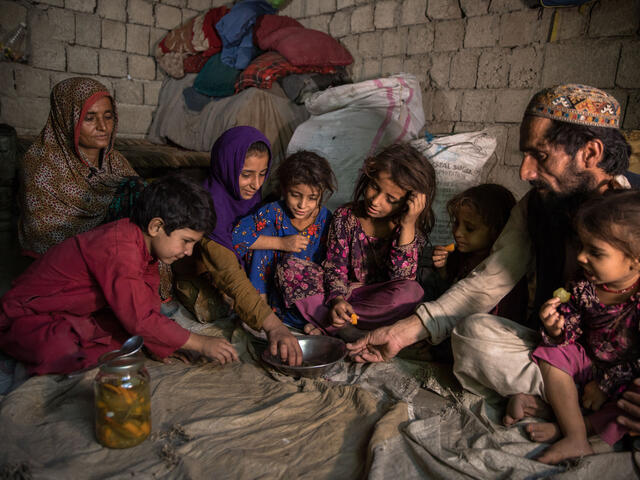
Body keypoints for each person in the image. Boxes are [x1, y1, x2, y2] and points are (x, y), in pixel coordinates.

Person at [347, 84, 640, 402]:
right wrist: (400, 332)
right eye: (526, 155)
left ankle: (593, 401)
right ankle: (581, 404)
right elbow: (490, 280)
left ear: (590, 153)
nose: (525, 171)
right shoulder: (536, 205)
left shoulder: (634, 212)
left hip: (626, 364)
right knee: (471, 335)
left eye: (540, 156)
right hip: (556, 353)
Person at [0, 174, 238, 375]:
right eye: (186, 241)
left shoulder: (145, 251)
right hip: (24, 315)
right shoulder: (118, 246)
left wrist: (165, 343)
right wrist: (199, 342)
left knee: (127, 337)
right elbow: (140, 319)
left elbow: (147, 307)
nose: (188, 252)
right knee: (59, 349)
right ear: (156, 227)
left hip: (70, 314)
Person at [516, 191, 640, 464]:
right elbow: (573, 326)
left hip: (622, 380)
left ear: (635, 260)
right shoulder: (584, 287)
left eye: (595, 252)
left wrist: (606, 385)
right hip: (587, 367)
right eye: (582, 246)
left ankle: (571, 431)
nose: (581, 257)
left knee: (631, 401)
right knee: (552, 352)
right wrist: (557, 328)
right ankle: (574, 433)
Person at [175, 126, 303, 366]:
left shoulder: (252, 199)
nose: (255, 184)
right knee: (216, 305)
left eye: (262, 173)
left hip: (236, 272)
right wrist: (274, 327)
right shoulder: (209, 208)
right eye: (246, 174)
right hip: (208, 272)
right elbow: (229, 274)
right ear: (227, 167)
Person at [282, 143, 436, 339]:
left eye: (391, 198)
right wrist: (337, 300)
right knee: (290, 268)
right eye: (374, 187)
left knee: (412, 292)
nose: (376, 200)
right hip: (339, 296)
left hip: (376, 304)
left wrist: (407, 225)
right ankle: (348, 329)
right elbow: (334, 267)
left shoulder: (410, 229)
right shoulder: (346, 216)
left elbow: (401, 278)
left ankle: (330, 325)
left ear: (408, 202)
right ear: (368, 177)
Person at [17, 77, 140, 257]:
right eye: (89, 118)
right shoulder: (41, 168)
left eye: (108, 116)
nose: (103, 127)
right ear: (66, 119)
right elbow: (45, 237)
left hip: (114, 256)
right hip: (61, 264)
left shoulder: (115, 161)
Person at [232, 150, 336, 331]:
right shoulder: (274, 212)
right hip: (274, 293)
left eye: (312, 198)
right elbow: (236, 236)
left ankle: (316, 321)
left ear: (322, 194)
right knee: (265, 232)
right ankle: (261, 308)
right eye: (296, 195)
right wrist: (281, 243)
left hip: (307, 296)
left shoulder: (326, 219)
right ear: (283, 189)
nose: (302, 205)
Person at [422, 183, 527, 325]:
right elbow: (447, 297)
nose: (458, 233)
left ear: (497, 231)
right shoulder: (459, 257)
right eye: (456, 223)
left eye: (470, 228)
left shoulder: (504, 273)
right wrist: (443, 271)